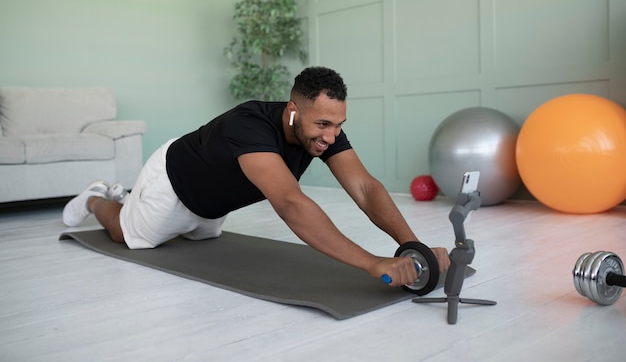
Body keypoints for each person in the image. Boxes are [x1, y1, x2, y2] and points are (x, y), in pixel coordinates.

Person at [63, 66, 450, 287]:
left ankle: (138, 204)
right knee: (132, 236)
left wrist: (411, 246)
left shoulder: (320, 132)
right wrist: (371, 263)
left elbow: (365, 188)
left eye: (339, 124)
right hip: (175, 181)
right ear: (294, 111)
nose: (331, 136)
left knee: (201, 235)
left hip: (212, 205)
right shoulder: (250, 125)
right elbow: (290, 203)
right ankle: (100, 196)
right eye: (323, 124)